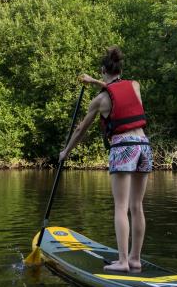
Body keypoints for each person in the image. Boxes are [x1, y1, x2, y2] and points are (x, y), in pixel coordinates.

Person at [59, 46, 151, 272]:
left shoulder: (99, 101)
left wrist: (66, 152)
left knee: (121, 206)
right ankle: (135, 259)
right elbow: (118, 90)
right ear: (120, 69)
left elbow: (80, 130)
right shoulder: (135, 85)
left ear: (103, 71)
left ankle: (122, 262)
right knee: (136, 206)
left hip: (123, 147)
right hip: (144, 146)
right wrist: (94, 82)